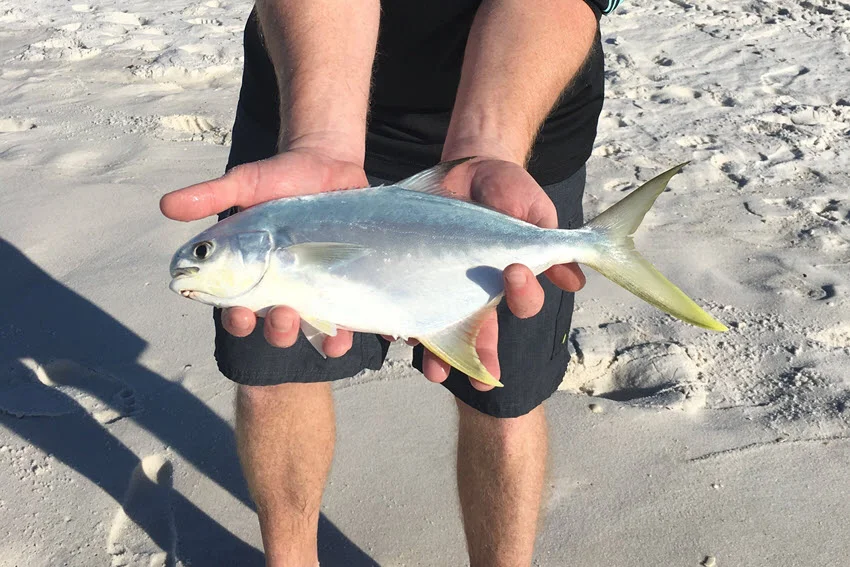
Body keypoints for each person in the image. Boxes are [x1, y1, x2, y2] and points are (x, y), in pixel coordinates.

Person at [160, 0, 615, 564]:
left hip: (523, 106)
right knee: (273, 375)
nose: (196, 259)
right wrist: (317, 136)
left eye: (205, 251)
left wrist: (488, 147)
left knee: (503, 399)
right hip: (303, 85)